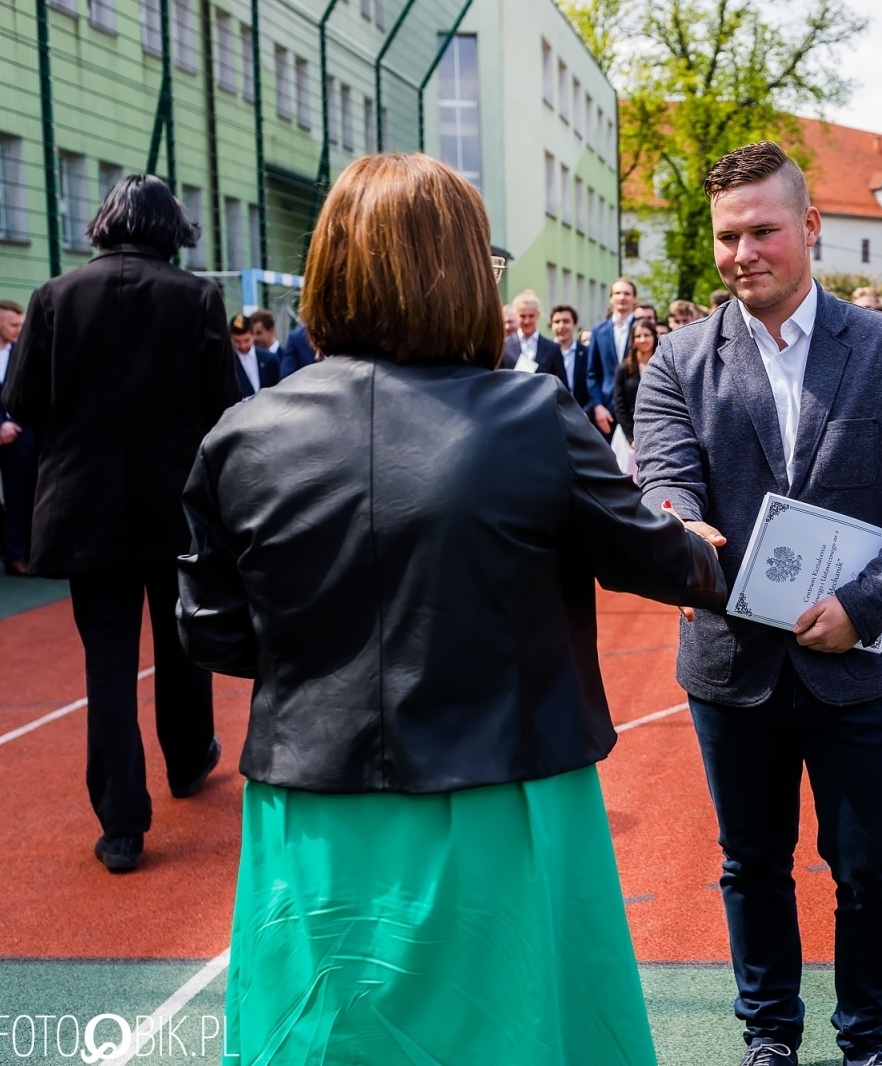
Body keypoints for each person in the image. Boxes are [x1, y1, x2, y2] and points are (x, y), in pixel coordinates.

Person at [176, 152, 726, 1066]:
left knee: (319, 1035)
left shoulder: (244, 433)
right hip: (505, 791)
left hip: (314, 804)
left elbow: (216, 633)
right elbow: (652, 556)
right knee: (520, 1027)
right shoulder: (531, 415)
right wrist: (701, 557)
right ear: (464, 272)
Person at [634, 140, 882, 1066]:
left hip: (859, 664)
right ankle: (770, 1037)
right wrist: (674, 528)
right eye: (728, 236)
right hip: (734, 669)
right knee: (752, 866)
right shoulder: (677, 363)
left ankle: (869, 1044)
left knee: (874, 872)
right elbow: (663, 477)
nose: (743, 253)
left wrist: (870, 601)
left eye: (764, 230)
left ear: (810, 228)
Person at [4, 173, 239, 872]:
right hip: (176, 507)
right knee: (183, 644)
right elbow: (224, 404)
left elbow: (22, 400)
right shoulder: (196, 296)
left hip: (85, 510)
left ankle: (121, 825)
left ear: (105, 222)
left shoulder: (54, 296)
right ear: (171, 228)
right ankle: (189, 758)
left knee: (107, 664)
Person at [0, 299, 33, 578]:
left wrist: (11, 424)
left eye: (22, 324)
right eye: (14, 324)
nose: (19, 329)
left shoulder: (23, 352)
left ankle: (16, 556)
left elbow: (31, 393)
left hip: (18, 437)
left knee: (19, 498)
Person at [586, 277, 638, 435]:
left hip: (636, 408)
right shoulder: (598, 331)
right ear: (611, 298)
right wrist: (597, 406)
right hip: (606, 410)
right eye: (618, 293)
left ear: (634, 298)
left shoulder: (642, 329)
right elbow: (592, 373)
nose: (622, 297)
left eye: (627, 293)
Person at [614, 317, 658, 446]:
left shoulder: (663, 365)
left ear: (654, 337)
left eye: (647, 335)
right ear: (633, 340)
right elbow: (620, 405)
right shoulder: (624, 369)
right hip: (629, 434)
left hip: (658, 430)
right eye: (638, 336)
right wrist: (631, 438)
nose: (643, 339)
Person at [500, 289, 564, 376]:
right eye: (522, 316)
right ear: (516, 315)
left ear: (538, 315)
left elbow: (560, 383)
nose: (527, 321)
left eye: (531, 316)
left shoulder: (552, 348)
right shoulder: (504, 347)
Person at [230, 313, 281, 399]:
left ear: (253, 335)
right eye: (237, 341)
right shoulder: (228, 362)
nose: (243, 346)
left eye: (246, 340)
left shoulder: (269, 359)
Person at [551, 303, 590, 407]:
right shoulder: (546, 353)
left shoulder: (587, 353)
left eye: (566, 321)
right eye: (557, 322)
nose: (561, 326)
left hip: (583, 414)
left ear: (574, 324)